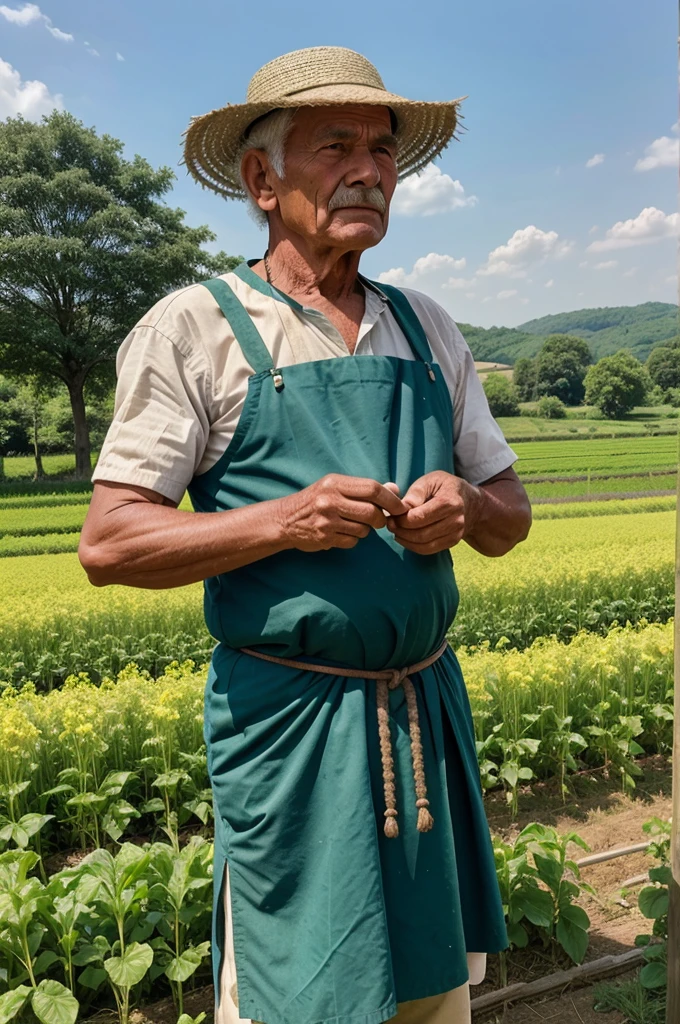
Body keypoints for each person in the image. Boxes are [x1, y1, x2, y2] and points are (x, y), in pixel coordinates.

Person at [79, 45, 532, 1024]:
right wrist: (284, 518)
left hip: (422, 718)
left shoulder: (426, 328)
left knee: (430, 995)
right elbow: (109, 541)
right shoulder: (193, 328)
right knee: (298, 998)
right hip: (289, 730)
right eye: (335, 147)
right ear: (260, 179)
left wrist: (467, 505)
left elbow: (509, 513)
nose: (368, 169)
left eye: (381, 149)